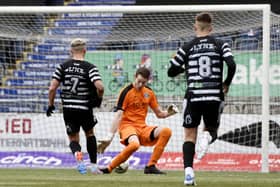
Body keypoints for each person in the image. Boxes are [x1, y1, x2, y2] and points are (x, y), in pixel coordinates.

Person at [167, 12, 236, 185]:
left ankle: (189, 173)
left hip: (193, 96)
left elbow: (171, 71)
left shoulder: (187, 46)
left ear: (194, 27)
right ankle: (207, 137)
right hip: (214, 95)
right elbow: (231, 64)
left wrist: (184, 70)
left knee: (189, 136)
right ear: (211, 28)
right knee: (211, 129)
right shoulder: (220, 44)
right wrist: (226, 83)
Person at [97, 67, 179, 174]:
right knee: (135, 145)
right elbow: (118, 115)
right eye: (139, 81)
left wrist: (169, 113)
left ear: (147, 81)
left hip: (142, 128)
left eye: (143, 83)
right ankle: (109, 168)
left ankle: (150, 166)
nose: (140, 85)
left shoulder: (149, 92)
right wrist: (109, 137)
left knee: (166, 131)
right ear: (135, 77)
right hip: (127, 127)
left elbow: (159, 114)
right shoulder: (126, 92)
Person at [46, 38, 104, 175]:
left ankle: (79, 160)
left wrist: (50, 105)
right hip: (84, 107)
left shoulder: (63, 66)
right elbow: (100, 87)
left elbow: (52, 88)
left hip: (68, 108)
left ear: (71, 51)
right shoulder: (90, 67)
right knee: (90, 134)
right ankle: (94, 167)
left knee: (73, 138)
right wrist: (98, 99)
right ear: (85, 50)